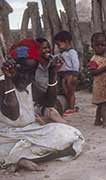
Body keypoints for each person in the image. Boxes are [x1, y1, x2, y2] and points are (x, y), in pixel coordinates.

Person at [0, 38, 84, 171]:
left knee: (72, 134)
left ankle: (18, 158)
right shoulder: (3, 84)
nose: (26, 77)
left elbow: (49, 103)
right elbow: (13, 114)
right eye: (21, 71)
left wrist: (52, 74)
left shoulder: (30, 84)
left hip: (31, 131)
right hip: (5, 136)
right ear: (12, 67)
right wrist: (9, 79)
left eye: (31, 72)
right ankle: (20, 158)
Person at [32, 37, 67, 125]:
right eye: (44, 48)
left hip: (50, 96)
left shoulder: (52, 62)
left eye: (48, 47)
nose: (47, 50)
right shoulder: (33, 66)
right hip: (37, 100)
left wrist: (56, 70)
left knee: (57, 103)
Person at [54, 31, 79, 116]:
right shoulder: (62, 53)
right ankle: (70, 106)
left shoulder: (72, 52)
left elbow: (75, 63)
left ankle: (72, 108)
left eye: (59, 44)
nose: (58, 47)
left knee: (71, 91)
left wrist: (75, 74)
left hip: (70, 74)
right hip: (63, 75)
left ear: (67, 42)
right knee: (66, 91)